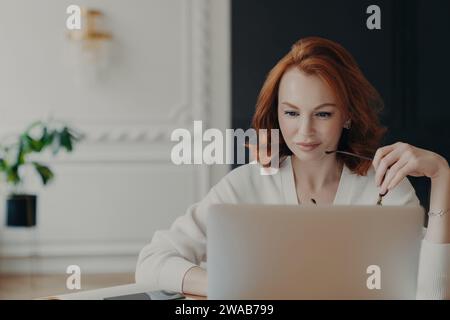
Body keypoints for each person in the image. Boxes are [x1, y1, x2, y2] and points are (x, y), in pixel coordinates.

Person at [135, 37, 450, 299]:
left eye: (323, 114)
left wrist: (441, 176)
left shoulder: (384, 184)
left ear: (348, 116)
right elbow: (152, 262)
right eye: (291, 113)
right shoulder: (247, 184)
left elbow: (432, 294)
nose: (305, 132)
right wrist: (231, 287)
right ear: (277, 113)